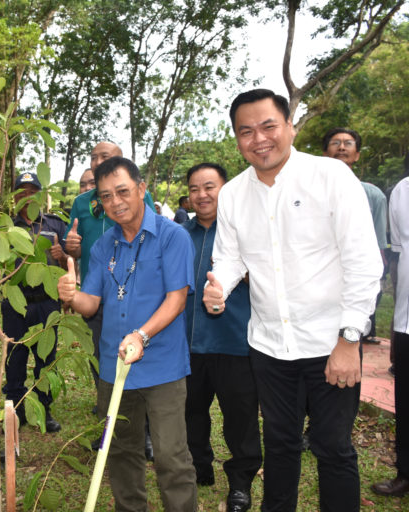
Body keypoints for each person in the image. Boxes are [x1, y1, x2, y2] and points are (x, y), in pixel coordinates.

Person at [203, 89, 383, 511]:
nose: (259, 139)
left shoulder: (331, 177)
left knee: (333, 447)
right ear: (236, 138)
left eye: (268, 126)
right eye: (246, 131)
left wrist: (349, 340)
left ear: (290, 127)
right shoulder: (232, 194)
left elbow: (363, 263)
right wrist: (219, 287)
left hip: (331, 343)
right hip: (268, 346)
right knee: (280, 444)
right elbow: (230, 258)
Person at [59, 156, 197, 511]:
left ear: (141, 189)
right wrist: (72, 294)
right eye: (105, 196)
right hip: (113, 367)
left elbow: (176, 300)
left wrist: (141, 335)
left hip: (162, 365)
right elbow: (91, 303)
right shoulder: (104, 244)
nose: (115, 201)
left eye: (122, 191)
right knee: (120, 451)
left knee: (171, 456)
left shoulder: (172, 236)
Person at [65, 141, 157, 459]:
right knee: (102, 361)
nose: (97, 161)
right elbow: (71, 246)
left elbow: (152, 237)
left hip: (133, 294)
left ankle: (143, 431)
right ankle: (110, 426)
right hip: (95, 294)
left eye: (104, 156)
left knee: (136, 360)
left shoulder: (141, 197)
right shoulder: (81, 203)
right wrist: (71, 247)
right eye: (93, 157)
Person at [183, 163, 261, 512]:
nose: (201, 195)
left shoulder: (246, 232)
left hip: (235, 343)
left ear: (225, 189)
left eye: (209, 187)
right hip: (188, 345)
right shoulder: (180, 235)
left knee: (240, 419)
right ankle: (200, 467)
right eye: (195, 188)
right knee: (192, 413)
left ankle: (241, 484)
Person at [2, 172, 67, 433]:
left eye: (32, 191)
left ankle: (44, 408)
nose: (26, 196)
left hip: (47, 303)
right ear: (14, 196)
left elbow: (68, 265)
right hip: (16, 303)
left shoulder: (55, 225)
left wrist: (61, 255)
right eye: (21, 191)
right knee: (15, 357)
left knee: (45, 358)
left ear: (41, 195)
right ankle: (15, 410)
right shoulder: (6, 227)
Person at [323, 127, 388, 343]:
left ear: (357, 155)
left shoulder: (373, 195)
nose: (342, 147)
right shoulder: (309, 192)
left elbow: (378, 247)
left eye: (348, 143)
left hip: (353, 284)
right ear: (325, 154)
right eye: (335, 142)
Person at [371, 174, 409, 497]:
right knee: (406, 402)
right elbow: (398, 250)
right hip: (407, 320)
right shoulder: (403, 191)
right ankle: (406, 473)